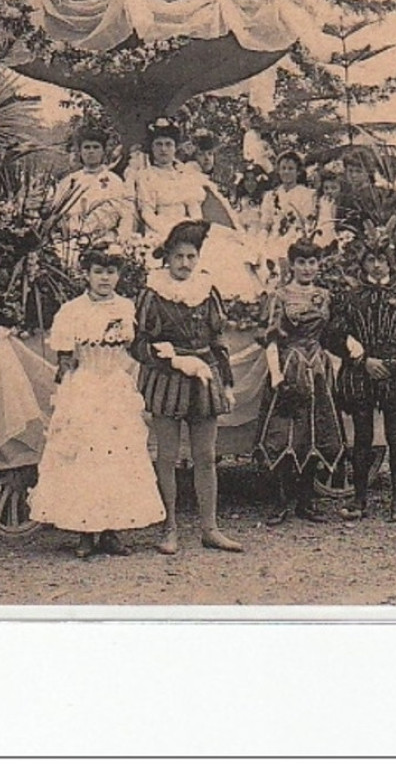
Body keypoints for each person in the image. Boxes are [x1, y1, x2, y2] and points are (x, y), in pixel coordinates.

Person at [29, 245, 166, 557]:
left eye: (111, 272)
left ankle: (111, 531)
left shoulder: (127, 308)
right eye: (98, 272)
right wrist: (68, 389)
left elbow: (134, 350)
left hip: (116, 385)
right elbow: (65, 356)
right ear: (87, 274)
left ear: (118, 275)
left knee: (117, 456)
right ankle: (85, 532)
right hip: (86, 384)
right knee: (85, 456)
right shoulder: (73, 311)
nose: (105, 278)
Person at [130, 220, 244, 554]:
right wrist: (166, 358)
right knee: (167, 456)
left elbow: (218, 340)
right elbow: (136, 344)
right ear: (167, 257)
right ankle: (170, 529)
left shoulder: (207, 291)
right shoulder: (152, 294)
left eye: (191, 256)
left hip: (205, 378)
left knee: (206, 456)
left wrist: (227, 382)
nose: (184, 264)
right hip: (166, 379)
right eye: (178, 256)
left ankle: (210, 529)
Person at [324, 235, 396, 521]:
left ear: (391, 264)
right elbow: (333, 337)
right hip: (361, 373)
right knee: (362, 438)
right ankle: (359, 500)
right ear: (362, 264)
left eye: (382, 260)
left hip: (395, 374)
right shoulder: (349, 299)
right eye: (371, 260)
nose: (377, 266)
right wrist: (361, 360)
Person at [254, 239, 344, 524]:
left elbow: (331, 336)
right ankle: (280, 502)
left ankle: (307, 501)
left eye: (312, 262)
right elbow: (270, 339)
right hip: (288, 364)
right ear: (291, 265)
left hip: (317, 367)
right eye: (301, 262)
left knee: (314, 430)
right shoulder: (279, 296)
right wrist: (277, 376)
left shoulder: (325, 296)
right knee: (284, 431)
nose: (307, 268)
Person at [132, 118, 263, 300]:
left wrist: (195, 229)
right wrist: (171, 231)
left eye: (168, 144)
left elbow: (193, 207)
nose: (163, 149)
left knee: (227, 245)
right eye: (158, 144)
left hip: (188, 225)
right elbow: (147, 212)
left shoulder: (185, 175)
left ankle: (234, 300)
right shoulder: (145, 176)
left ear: (174, 148)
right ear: (152, 148)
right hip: (160, 227)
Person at [52, 128, 131, 264]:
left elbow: (124, 215)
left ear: (103, 151)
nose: (91, 151)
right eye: (87, 147)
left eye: (96, 147)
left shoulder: (114, 181)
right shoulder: (69, 181)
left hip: (104, 241)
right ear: (80, 152)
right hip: (71, 241)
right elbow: (56, 214)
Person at [259, 151, 317, 281]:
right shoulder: (271, 195)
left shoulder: (307, 194)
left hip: (296, 238)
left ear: (298, 171)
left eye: (291, 168)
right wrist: (261, 241)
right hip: (273, 238)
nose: (286, 172)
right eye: (283, 168)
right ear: (278, 171)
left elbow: (307, 223)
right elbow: (266, 223)